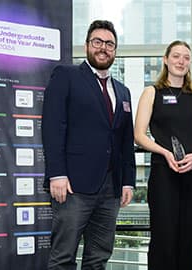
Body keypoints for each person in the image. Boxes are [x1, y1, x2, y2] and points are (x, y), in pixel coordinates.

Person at [42, 20, 136, 270]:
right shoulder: (66, 76)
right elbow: (52, 128)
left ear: (115, 50)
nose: (103, 48)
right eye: (98, 42)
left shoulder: (123, 91)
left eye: (109, 44)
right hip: (73, 185)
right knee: (63, 256)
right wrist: (57, 174)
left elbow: (126, 141)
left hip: (111, 188)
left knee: (98, 258)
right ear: (87, 46)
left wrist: (127, 181)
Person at [134, 40, 192, 270]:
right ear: (166, 60)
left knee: (191, 236)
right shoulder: (152, 92)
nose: (181, 61)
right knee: (163, 236)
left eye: (186, 57)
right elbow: (139, 135)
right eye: (176, 56)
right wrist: (164, 152)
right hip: (164, 170)